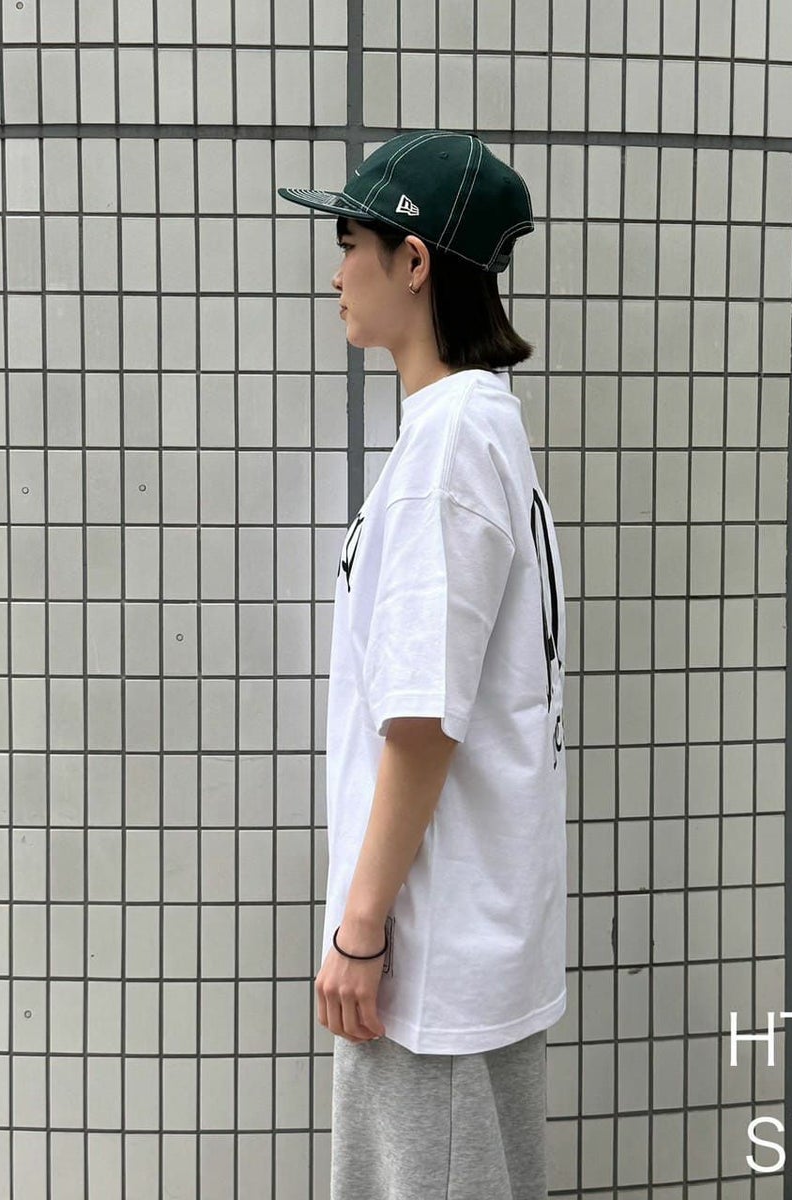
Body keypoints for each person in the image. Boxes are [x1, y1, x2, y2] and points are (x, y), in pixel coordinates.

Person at [278, 128, 568, 1200]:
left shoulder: (446, 452)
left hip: (428, 962)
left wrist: (359, 933)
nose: (336, 272)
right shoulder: (481, 433)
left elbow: (420, 722)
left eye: (351, 243)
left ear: (413, 263)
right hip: (471, 938)